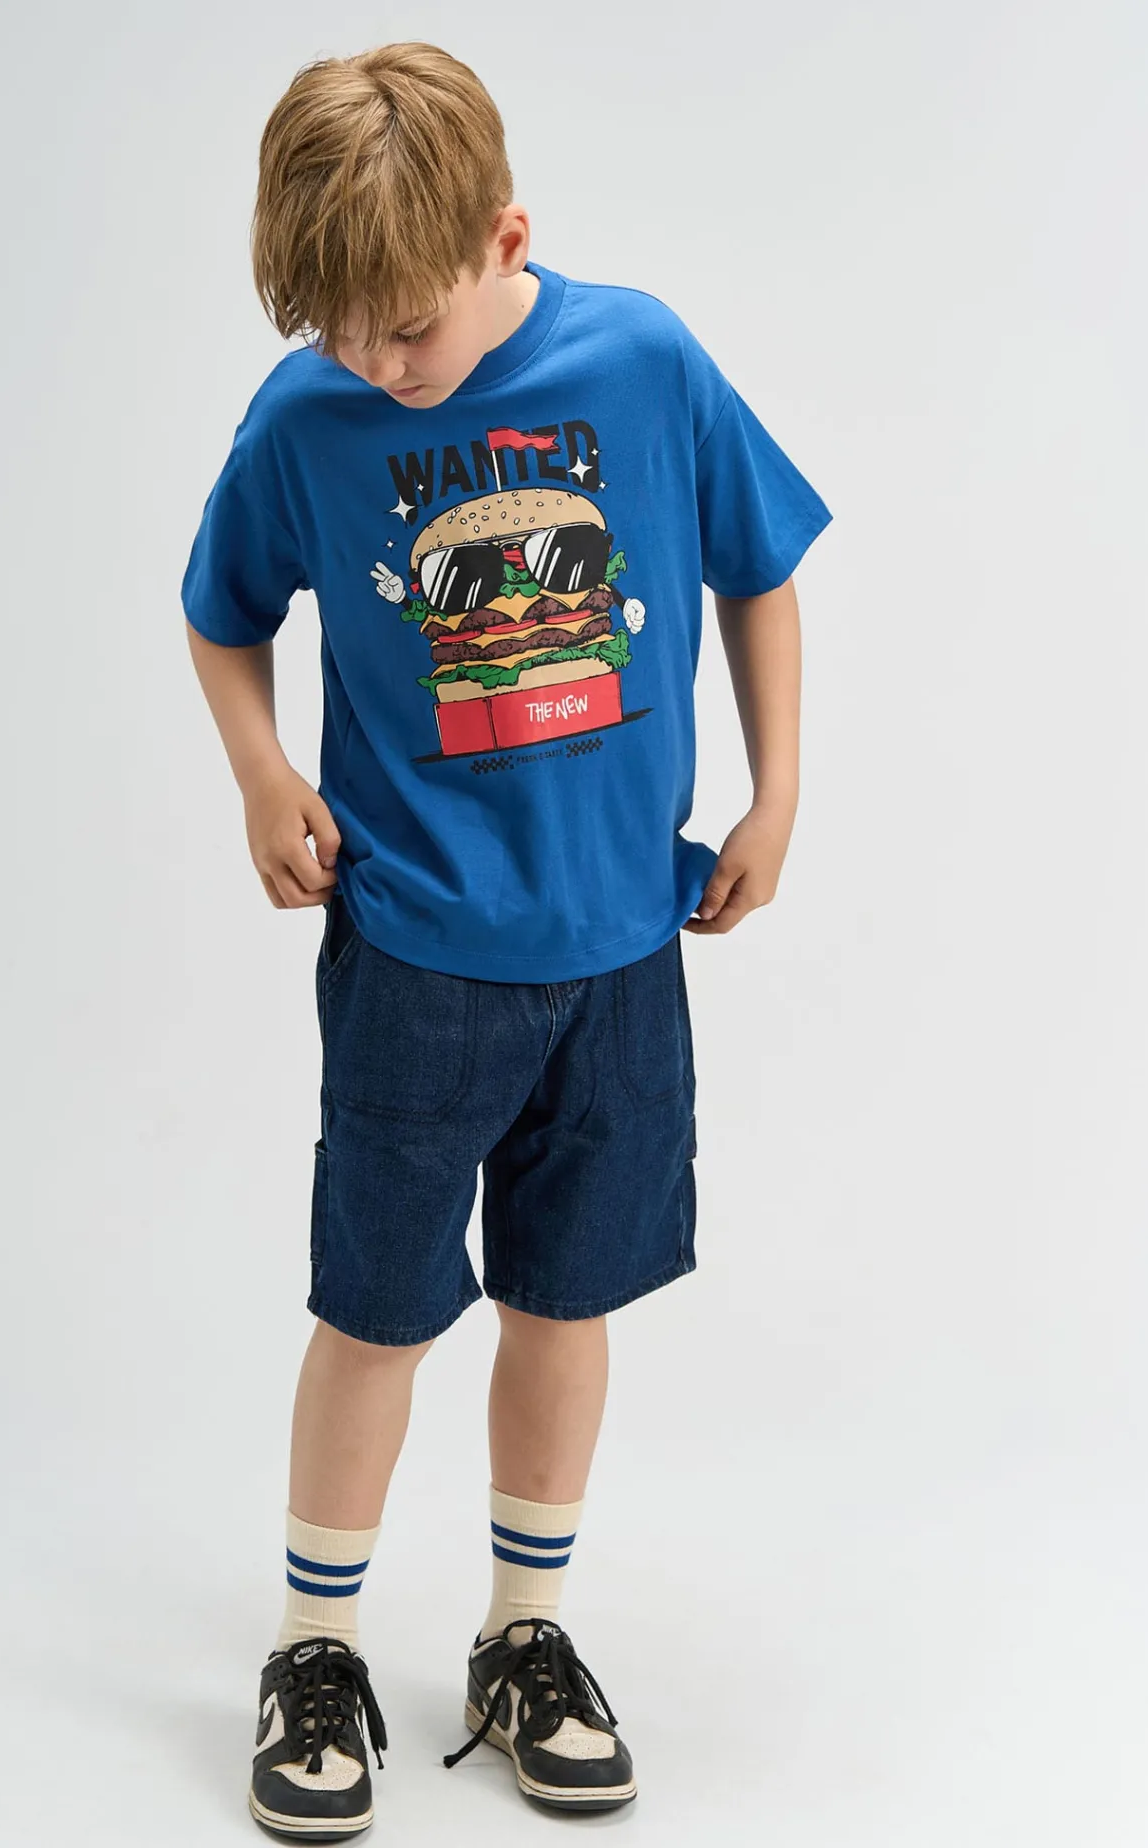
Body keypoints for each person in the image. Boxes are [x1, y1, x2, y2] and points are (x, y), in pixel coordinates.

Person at [181, 40, 831, 1839]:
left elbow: (760, 563)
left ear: (504, 236)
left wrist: (778, 792)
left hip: (624, 947)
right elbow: (222, 611)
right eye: (340, 336)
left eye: (405, 328)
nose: (378, 367)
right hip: (414, 955)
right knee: (376, 1311)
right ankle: (315, 1647)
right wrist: (260, 775)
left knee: (566, 1300)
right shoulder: (307, 418)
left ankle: (523, 1633)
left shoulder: (645, 358)